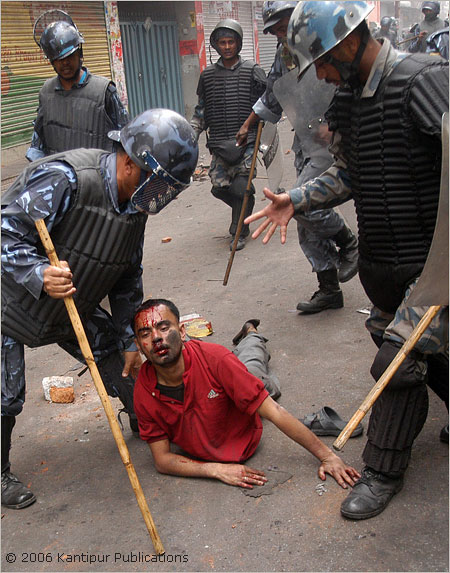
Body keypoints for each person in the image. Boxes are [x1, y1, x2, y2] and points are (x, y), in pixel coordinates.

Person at [245, 1, 449, 519]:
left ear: (349, 41)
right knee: (396, 339)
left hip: (436, 266)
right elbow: (348, 172)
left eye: (323, 63)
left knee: (397, 361)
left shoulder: (424, 81)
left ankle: (381, 470)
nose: (322, 76)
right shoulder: (351, 99)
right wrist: (297, 199)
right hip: (388, 262)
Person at [1, 109, 199, 510]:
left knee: (118, 355)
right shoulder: (65, 179)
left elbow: (127, 274)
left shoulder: (135, 205)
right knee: (6, 394)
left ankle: (145, 418)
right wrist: (38, 272)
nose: (162, 195)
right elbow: (5, 232)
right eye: (160, 183)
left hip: (70, 301)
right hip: (9, 299)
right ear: (131, 162)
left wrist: (130, 338)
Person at [132, 298, 360, 490]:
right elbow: (162, 460)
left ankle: (251, 333)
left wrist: (328, 457)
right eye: (146, 333)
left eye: (164, 327)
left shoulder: (216, 359)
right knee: (242, 367)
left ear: (182, 332)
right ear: (139, 346)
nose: (156, 338)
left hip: (235, 383)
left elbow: (275, 411)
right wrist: (216, 470)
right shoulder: (143, 392)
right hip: (224, 386)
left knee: (256, 369)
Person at [237, 1, 359, 314]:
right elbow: (273, 94)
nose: (281, 35)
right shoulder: (284, 53)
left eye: (284, 27)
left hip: (333, 140)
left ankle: (348, 240)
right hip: (305, 139)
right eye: (276, 31)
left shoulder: (328, 41)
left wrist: (337, 123)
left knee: (301, 203)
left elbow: (351, 85)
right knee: (303, 213)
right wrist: (249, 124)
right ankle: (329, 287)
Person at [190, 19, 267, 251]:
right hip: (220, 144)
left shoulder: (253, 71)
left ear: (238, 43)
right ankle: (245, 202)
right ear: (215, 45)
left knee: (242, 186)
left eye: (230, 42)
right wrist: (190, 135)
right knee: (219, 188)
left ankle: (238, 231)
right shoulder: (207, 76)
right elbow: (201, 112)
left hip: (247, 141)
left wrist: (250, 125)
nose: (226, 47)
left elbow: (266, 104)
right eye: (222, 42)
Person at [26, 11, 129, 162]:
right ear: (51, 61)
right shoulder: (46, 93)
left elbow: (126, 138)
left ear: (80, 54)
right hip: (60, 175)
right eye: (59, 59)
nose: (65, 63)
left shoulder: (105, 92)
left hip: (97, 174)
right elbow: (38, 144)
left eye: (70, 56)